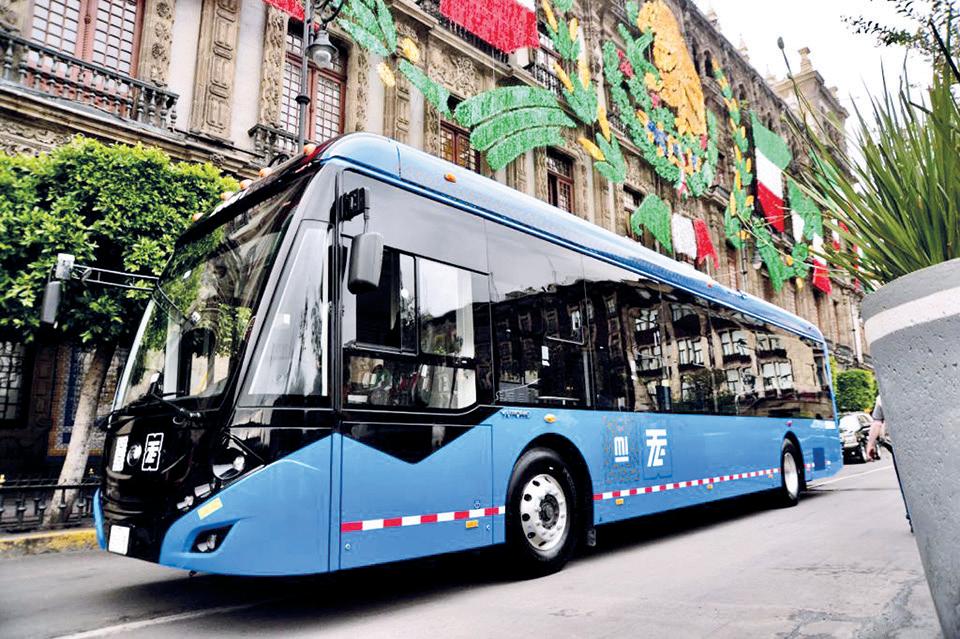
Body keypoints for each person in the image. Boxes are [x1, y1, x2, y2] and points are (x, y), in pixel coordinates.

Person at [867, 395, 912, 532]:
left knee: (906, 483)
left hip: (898, 446)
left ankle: (912, 516)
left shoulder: (883, 396)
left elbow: (877, 423)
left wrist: (870, 445)